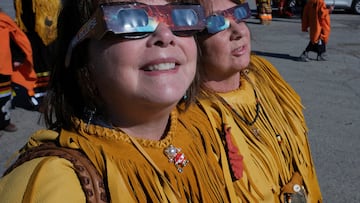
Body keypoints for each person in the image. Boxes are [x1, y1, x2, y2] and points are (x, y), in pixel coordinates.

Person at [0, 0, 242, 202]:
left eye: (180, 18)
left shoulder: (206, 128)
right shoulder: (55, 182)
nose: (166, 35)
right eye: (131, 20)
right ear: (80, 53)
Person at [180, 0, 322, 202]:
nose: (238, 31)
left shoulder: (265, 78)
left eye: (238, 15)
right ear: (191, 40)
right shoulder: (192, 123)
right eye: (217, 23)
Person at [12, 0, 63, 111]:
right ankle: (42, 99)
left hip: (49, 25)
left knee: (52, 61)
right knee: (38, 63)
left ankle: (55, 97)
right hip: (30, 25)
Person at [0, 8, 37, 132]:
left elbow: (15, 40)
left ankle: (4, 122)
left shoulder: (4, 22)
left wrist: (18, 58)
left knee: (4, 98)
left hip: (4, 69)